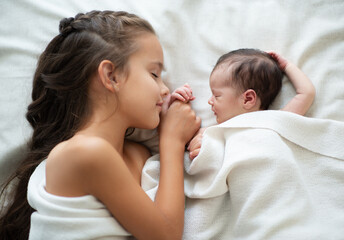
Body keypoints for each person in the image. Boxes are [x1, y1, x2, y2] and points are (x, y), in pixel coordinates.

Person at [0, 10, 200, 240]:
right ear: (111, 76)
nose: (165, 89)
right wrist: (172, 142)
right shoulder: (83, 152)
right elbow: (165, 235)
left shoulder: (138, 154)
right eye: (154, 74)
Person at [182, 48, 315, 159]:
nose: (210, 101)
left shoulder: (274, 121)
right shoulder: (217, 130)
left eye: (217, 95)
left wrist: (287, 66)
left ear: (248, 99)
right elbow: (181, 138)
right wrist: (180, 101)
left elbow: (306, 93)